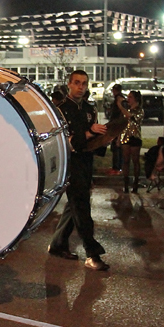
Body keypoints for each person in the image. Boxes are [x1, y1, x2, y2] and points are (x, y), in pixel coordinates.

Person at [47, 70, 110, 271]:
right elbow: (64, 143)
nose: (80, 87)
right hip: (70, 162)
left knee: (75, 204)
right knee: (81, 207)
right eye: (76, 83)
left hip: (86, 162)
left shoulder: (90, 109)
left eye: (84, 83)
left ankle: (58, 244)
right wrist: (89, 133)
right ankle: (93, 253)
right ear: (69, 84)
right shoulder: (60, 110)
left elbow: (93, 141)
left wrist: (105, 138)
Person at [117, 90, 143, 193]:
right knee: (126, 160)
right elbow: (121, 124)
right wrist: (118, 138)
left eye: (130, 97)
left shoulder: (139, 110)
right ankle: (126, 184)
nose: (128, 99)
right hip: (125, 137)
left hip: (135, 137)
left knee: (135, 161)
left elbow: (130, 116)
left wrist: (120, 105)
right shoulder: (126, 109)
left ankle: (136, 183)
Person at [107, 83, 124, 175]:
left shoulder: (119, 99)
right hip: (115, 124)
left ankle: (117, 167)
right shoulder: (119, 99)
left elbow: (120, 113)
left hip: (117, 126)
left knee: (116, 146)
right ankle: (116, 166)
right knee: (115, 147)